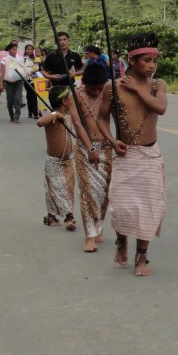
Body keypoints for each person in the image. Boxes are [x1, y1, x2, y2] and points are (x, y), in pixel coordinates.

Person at [105, 36, 167, 277]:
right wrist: (112, 140)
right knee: (120, 208)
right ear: (132, 61)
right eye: (146, 61)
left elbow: (160, 108)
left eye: (154, 61)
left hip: (150, 154)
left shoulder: (157, 85)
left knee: (148, 210)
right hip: (125, 155)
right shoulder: (113, 86)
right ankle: (121, 240)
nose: (152, 66)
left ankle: (141, 257)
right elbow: (101, 119)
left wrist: (137, 90)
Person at [72, 64, 115, 253]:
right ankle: (89, 236)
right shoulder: (75, 95)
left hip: (106, 147)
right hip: (85, 148)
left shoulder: (108, 94)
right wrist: (89, 147)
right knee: (88, 192)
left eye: (99, 87)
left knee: (105, 192)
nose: (96, 91)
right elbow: (76, 123)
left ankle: (98, 227)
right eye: (92, 88)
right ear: (83, 82)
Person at [36, 85, 77, 230]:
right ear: (65, 101)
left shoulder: (68, 115)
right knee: (54, 189)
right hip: (54, 161)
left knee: (68, 188)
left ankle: (66, 215)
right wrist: (55, 115)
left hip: (68, 159)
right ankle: (60, 216)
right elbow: (40, 122)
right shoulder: (52, 116)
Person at [0, 41, 30, 123]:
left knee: (17, 98)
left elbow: (23, 69)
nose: (15, 51)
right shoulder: (4, 59)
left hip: (19, 81)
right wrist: (1, 83)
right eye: (13, 49)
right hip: (9, 82)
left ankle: (17, 116)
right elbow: (2, 72)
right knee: (9, 100)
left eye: (16, 49)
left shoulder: (20, 58)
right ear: (9, 50)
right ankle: (11, 115)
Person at [22, 44, 40, 119]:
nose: (29, 51)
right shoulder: (23, 59)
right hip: (26, 79)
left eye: (31, 49)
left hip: (35, 78)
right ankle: (30, 111)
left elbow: (37, 67)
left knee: (34, 95)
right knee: (29, 95)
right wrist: (30, 71)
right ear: (25, 50)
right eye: (28, 49)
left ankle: (35, 112)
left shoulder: (35, 58)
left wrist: (33, 70)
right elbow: (22, 68)